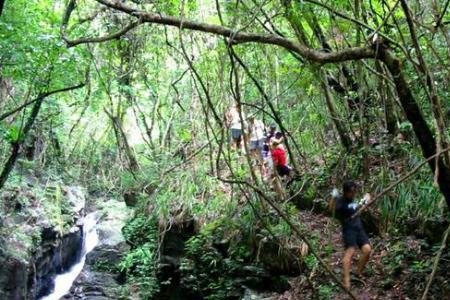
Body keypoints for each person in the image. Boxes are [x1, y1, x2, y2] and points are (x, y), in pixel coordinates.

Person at [334, 181, 372, 290]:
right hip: (349, 229)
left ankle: (358, 273)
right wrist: (333, 198)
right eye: (351, 191)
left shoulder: (352, 200)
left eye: (354, 191)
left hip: (358, 228)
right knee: (350, 252)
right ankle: (346, 280)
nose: (353, 193)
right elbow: (333, 209)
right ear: (346, 192)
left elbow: (357, 205)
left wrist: (365, 199)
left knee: (367, 250)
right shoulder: (341, 203)